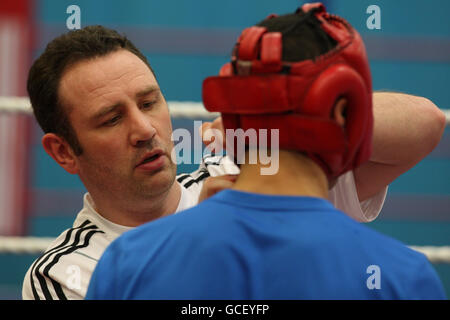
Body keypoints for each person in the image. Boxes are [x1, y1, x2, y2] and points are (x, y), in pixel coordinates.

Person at [24, 8, 445, 299]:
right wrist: (201, 241)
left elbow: (425, 124)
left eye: (150, 102)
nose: (145, 129)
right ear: (63, 152)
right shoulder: (65, 273)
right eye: (111, 119)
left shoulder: (250, 172)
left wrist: (280, 122)